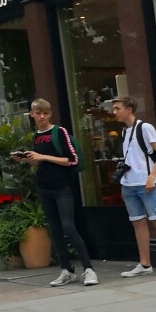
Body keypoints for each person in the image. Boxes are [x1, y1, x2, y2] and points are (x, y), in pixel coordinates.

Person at [11, 99, 99, 287]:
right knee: (55, 230)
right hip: (44, 187)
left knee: (68, 227)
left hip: (62, 187)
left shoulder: (59, 132)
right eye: (38, 113)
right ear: (32, 114)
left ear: (50, 114)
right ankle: (66, 270)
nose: (42, 117)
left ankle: (89, 269)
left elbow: (71, 160)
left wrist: (42, 156)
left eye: (45, 113)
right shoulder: (36, 136)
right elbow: (39, 164)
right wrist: (27, 159)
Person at [109, 97, 156, 277]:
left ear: (129, 109)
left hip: (146, 183)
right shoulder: (125, 131)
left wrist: (152, 176)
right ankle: (145, 264)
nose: (114, 112)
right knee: (138, 223)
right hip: (129, 185)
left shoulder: (144, 128)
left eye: (118, 108)